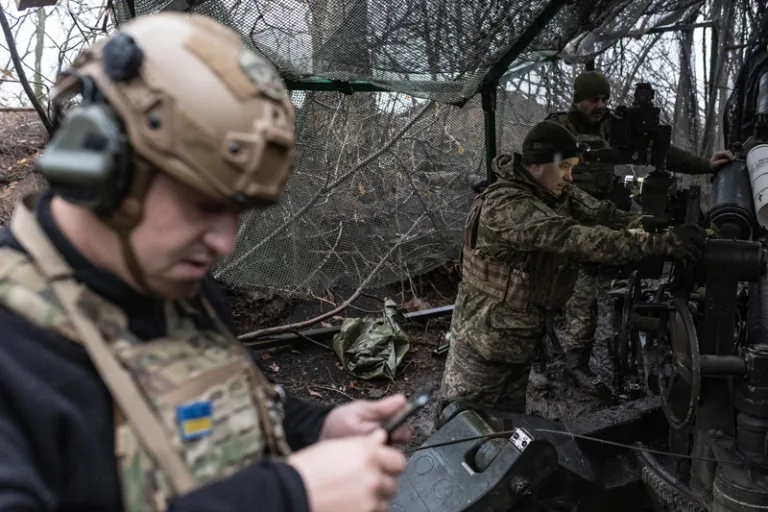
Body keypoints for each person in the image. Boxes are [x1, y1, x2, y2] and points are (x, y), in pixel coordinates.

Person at [0, 13, 410, 512]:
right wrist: (288, 495)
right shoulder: (14, 344)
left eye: (238, 211)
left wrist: (318, 428)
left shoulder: (173, 285)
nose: (223, 242)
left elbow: (236, 405)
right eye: (203, 203)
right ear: (104, 162)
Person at [439, 120, 707, 414]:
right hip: (483, 341)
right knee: (462, 423)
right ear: (539, 164)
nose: (569, 177)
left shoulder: (553, 191)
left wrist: (655, 226)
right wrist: (659, 243)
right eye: (564, 167)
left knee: (507, 421)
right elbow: (574, 237)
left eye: (572, 168)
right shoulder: (506, 204)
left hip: (519, 337)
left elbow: (603, 215)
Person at [545, 70, 734, 392]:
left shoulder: (613, 126)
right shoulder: (557, 128)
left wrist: (705, 164)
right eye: (594, 99)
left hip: (606, 217)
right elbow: (538, 166)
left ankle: (615, 360)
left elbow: (658, 153)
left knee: (611, 293)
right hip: (569, 222)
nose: (600, 105)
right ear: (578, 100)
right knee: (581, 298)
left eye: (604, 99)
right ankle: (575, 364)